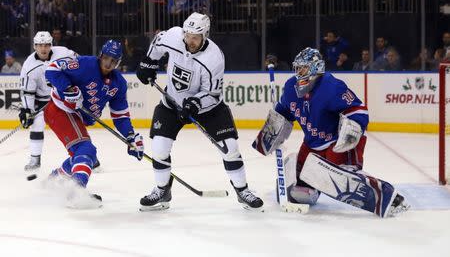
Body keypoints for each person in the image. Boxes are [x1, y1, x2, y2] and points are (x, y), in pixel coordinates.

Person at [255, 47, 408, 217]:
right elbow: (283, 111)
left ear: (316, 68)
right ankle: (313, 187)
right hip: (312, 143)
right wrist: (271, 132)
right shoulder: (291, 88)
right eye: (297, 68)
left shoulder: (330, 86)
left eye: (303, 68)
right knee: (298, 190)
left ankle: (390, 198)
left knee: (343, 179)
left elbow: (358, 109)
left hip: (337, 142)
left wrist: (352, 131)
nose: (299, 72)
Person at [136, 12, 264, 211]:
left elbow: (212, 94)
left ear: (205, 35)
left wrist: (195, 104)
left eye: (195, 37)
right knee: (159, 148)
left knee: (230, 148)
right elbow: (158, 42)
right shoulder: (174, 36)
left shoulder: (214, 57)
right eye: (187, 35)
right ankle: (162, 190)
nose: (190, 40)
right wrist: (149, 63)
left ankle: (242, 190)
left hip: (208, 108)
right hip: (172, 103)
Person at [44, 40, 144, 205]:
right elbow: (52, 69)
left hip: (76, 116)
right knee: (86, 149)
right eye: (106, 58)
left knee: (85, 156)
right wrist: (68, 89)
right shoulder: (84, 64)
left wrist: (131, 136)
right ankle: (77, 191)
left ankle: (55, 178)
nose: (108, 64)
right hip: (60, 110)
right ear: (101, 56)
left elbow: (120, 115)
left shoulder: (119, 84)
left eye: (113, 61)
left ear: (118, 63)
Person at [19, 31, 78, 171]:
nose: (43, 48)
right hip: (42, 101)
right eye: (40, 45)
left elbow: (80, 63)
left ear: (51, 45)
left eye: (46, 45)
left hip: (62, 98)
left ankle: (84, 155)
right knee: (37, 125)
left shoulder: (64, 53)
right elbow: (27, 91)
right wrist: (27, 110)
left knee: (73, 126)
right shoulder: (28, 66)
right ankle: (35, 160)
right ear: (35, 46)